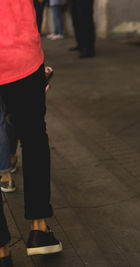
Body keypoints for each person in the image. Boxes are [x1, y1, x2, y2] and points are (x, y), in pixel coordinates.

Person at [0, 0, 63, 265]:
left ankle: (1, 250)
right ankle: (39, 229)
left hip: (20, 56)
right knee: (34, 139)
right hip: (20, 56)